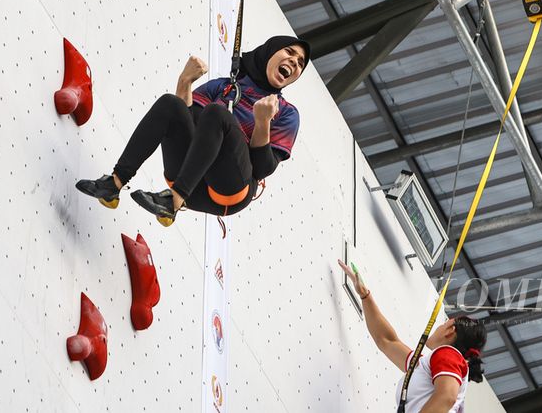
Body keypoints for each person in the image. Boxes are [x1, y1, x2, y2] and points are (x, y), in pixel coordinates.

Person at [75, 36, 310, 225]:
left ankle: (173, 203)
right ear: (270, 52)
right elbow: (185, 119)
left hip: (229, 191)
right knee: (171, 103)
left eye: (300, 63)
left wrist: (262, 124)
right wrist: (185, 81)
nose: (294, 62)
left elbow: (263, 168)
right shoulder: (226, 86)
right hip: (188, 175)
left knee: (217, 114)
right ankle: (114, 183)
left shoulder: (286, 113)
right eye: (290, 52)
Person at [338, 260, 487, 413]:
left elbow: (447, 397)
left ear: (450, 331)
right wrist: (365, 295)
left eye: (444, 323)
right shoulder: (427, 366)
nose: (440, 326)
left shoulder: (448, 355)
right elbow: (386, 340)